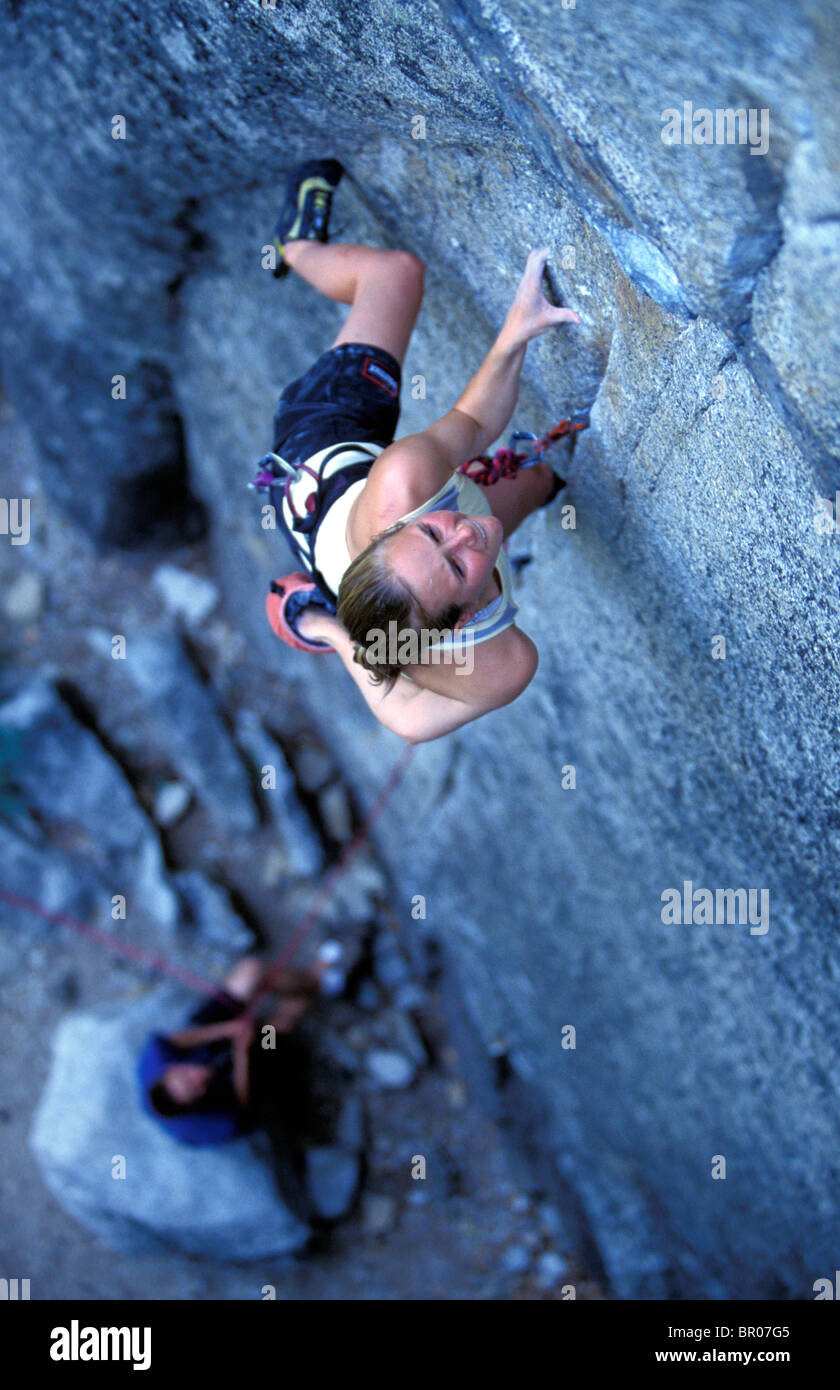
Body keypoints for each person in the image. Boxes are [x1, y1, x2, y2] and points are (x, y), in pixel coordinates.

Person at [261, 158, 582, 745]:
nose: (465, 533)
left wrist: (516, 330)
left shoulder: (403, 482)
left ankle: (296, 247)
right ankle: (327, 611)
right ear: (460, 622)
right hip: (369, 606)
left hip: (325, 444)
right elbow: (407, 718)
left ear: (395, 529)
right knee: (541, 482)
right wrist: (333, 633)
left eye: (432, 533)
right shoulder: (502, 665)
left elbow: (473, 418)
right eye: (458, 565)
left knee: (397, 275)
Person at [137, 946, 344, 1147]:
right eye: (196, 1088)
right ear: (198, 1101)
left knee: (251, 970)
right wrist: (241, 1052)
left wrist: (228, 1029)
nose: (198, 1077)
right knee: (276, 1028)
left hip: (212, 1033)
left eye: (187, 1075)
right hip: (249, 1067)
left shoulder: (155, 1062)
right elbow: (243, 1104)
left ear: (172, 1069)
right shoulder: (216, 1122)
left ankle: (310, 981)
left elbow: (175, 1041)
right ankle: (317, 977)